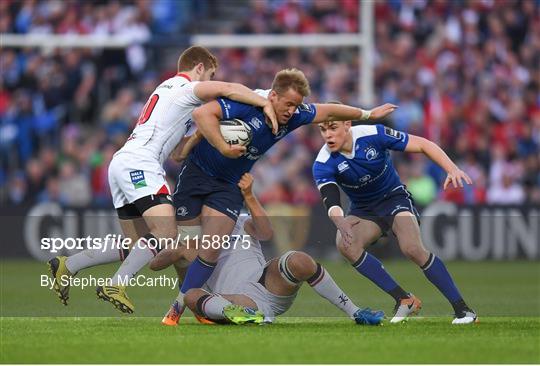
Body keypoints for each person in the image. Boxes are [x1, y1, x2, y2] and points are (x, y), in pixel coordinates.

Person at [46, 46, 278, 313]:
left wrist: (193, 143)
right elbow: (227, 88)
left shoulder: (165, 91)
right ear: (199, 68)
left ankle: (69, 265)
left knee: (138, 245)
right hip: (142, 163)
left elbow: (177, 150)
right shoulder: (184, 87)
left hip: (122, 162)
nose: (209, 81)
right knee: (167, 234)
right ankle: (116, 285)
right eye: (209, 74)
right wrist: (263, 102)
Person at [164, 67, 397, 323]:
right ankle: (195, 303)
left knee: (209, 250)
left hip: (230, 184)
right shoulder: (245, 105)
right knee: (189, 248)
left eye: (296, 106)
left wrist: (367, 114)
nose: (292, 111)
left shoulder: (294, 115)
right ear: (272, 96)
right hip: (196, 176)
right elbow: (201, 113)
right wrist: (223, 146)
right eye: (288, 104)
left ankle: (177, 309)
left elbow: (327, 110)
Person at [152, 173, 384, 326]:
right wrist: (180, 251)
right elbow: (155, 263)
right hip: (232, 299)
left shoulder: (240, 220)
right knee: (192, 296)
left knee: (300, 260)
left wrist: (250, 196)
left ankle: (355, 312)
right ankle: (246, 316)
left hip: (266, 284)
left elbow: (266, 233)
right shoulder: (189, 232)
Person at [312, 117, 477, 324]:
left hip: (393, 198)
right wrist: (340, 222)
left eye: (333, 128)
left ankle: (463, 310)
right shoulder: (323, 162)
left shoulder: (373, 134)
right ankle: (404, 299)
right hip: (363, 209)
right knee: (345, 244)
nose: (327, 135)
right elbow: (331, 199)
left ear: (347, 125)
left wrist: (452, 168)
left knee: (412, 249)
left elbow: (424, 144)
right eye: (322, 129)